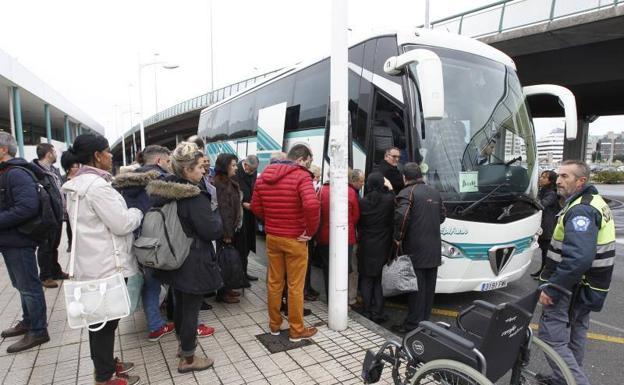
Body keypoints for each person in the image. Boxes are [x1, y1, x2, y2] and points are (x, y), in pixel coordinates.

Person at [62, 134, 142, 385]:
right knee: (106, 322)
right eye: (107, 152)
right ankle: (105, 376)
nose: (111, 156)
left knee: (99, 321)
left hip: (92, 261)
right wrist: (136, 211)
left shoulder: (77, 184)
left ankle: (104, 364)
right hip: (108, 264)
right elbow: (121, 224)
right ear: (96, 155)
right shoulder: (97, 187)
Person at [538, 160, 615, 385]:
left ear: (581, 181)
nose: (558, 181)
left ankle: (573, 380)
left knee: (552, 338)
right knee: (576, 332)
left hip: (572, 287)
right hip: (588, 286)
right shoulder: (594, 202)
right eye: (559, 176)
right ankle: (564, 379)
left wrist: (553, 288)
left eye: (565, 177)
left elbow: (578, 258)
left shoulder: (581, 209)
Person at [151, 142, 223, 374]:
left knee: (181, 303)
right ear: (187, 170)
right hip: (193, 259)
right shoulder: (193, 196)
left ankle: (184, 347)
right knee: (191, 308)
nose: (204, 171)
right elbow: (211, 230)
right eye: (200, 167)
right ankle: (189, 358)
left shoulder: (165, 190)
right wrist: (217, 215)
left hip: (173, 256)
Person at [251, 144, 320, 342]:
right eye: (310, 161)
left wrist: (270, 222)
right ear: (303, 158)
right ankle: (296, 330)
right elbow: (312, 204)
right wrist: (310, 231)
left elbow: (255, 206)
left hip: (273, 237)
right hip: (295, 238)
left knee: (274, 283)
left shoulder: (263, 176)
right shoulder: (301, 175)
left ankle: (274, 325)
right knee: (295, 286)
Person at [113, 145, 176, 342]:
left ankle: (155, 322)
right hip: (159, 239)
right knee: (168, 279)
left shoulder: (126, 184)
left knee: (150, 282)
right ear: (159, 161)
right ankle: (159, 324)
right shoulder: (161, 180)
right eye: (167, 161)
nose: (168, 165)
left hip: (136, 239)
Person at [0, 132, 50, 354]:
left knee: (29, 286)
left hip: (19, 239)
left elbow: (27, 206)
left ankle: (38, 330)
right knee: (20, 285)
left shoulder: (15, 174)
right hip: (10, 239)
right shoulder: (7, 173)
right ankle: (29, 321)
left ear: (3, 150)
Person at [391, 163, 446, 334]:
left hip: (416, 249)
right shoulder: (434, 192)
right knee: (429, 290)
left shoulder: (407, 193)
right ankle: (424, 323)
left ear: (404, 177)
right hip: (434, 248)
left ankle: (412, 325)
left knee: (416, 290)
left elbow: (402, 217)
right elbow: (442, 216)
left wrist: (397, 238)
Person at [315, 168, 360, 302]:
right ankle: (341, 299)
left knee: (328, 268)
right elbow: (356, 216)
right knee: (343, 268)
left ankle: (330, 298)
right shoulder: (350, 192)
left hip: (324, 236)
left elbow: (317, 213)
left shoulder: (321, 191)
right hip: (346, 237)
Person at [357, 172, 395, 323]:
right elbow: (394, 197)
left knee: (366, 278)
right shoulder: (389, 200)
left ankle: (366, 310)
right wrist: (390, 187)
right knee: (380, 279)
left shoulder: (362, 202)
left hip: (366, 244)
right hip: (383, 244)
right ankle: (378, 312)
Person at [32, 143, 67, 288]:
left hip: (57, 214)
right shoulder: (35, 171)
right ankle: (45, 276)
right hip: (46, 215)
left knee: (54, 245)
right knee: (45, 246)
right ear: (49, 154)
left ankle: (55, 271)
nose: (56, 154)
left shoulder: (54, 170)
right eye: (54, 151)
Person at [213, 153, 245, 303]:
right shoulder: (220, 184)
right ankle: (222, 292)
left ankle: (227, 288)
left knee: (227, 259)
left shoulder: (228, 182)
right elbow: (224, 211)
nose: (236, 168)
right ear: (225, 166)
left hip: (230, 228)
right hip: (225, 230)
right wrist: (227, 233)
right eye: (233, 165)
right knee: (223, 261)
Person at [233, 154, 259, 282]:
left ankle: (244, 272)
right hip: (240, 214)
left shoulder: (253, 171)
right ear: (245, 164)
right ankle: (239, 275)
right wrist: (242, 203)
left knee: (248, 244)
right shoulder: (235, 171)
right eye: (251, 170)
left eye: (254, 171)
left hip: (251, 213)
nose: (252, 173)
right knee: (240, 246)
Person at [531, 170, 559, 278]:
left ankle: (545, 273)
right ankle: (543, 271)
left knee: (546, 251)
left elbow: (541, 205)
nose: (541, 179)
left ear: (550, 180)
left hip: (548, 226)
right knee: (544, 250)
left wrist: (531, 198)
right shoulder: (543, 190)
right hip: (542, 224)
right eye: (541, 176)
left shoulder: (551, 193)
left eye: (544, 177)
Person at [348, 169, 365, 307]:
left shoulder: (350, 191)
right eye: (361, 181)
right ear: (353, 181)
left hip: (345, 236)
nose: (363, 183)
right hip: (351, 236)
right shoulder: (353, 194)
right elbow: (355, 218)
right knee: (353, 269)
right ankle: (351, 299)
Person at [60, 150, 80, 253]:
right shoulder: (62, 179)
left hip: (79, 208)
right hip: (67, 208)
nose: (76, 168)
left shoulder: (81, 178)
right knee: (69, 226)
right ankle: (70, 243)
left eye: (77, 166)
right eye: (73, 166)